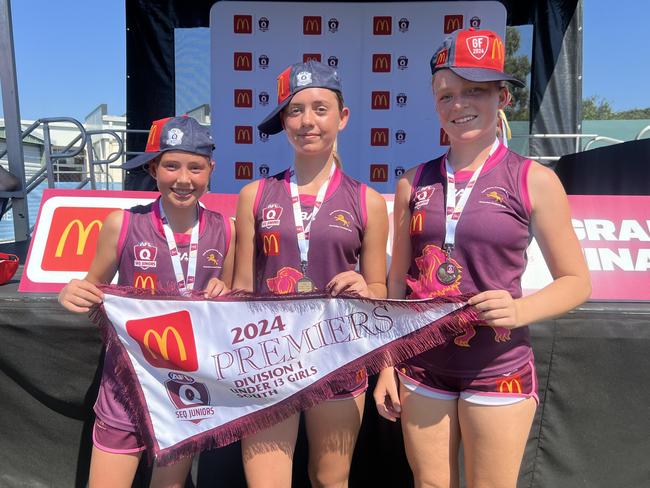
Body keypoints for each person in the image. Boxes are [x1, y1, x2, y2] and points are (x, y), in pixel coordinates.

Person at [373, 28, 591, 488]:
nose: (459, 104)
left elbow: (576, 281)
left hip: (498, 367)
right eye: (446, 94)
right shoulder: (412, 182)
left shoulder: (534, 180)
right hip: (423, 364)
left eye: (474, 90)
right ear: (435, 104)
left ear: (502, 97)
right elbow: (397, 283)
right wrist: (387, 363)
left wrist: (520, 309)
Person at [233, 60, 388, 488]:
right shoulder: (254, 195)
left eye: (320, 109)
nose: (307, 121)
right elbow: (242, 288)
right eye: (295, 110)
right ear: (284, 121)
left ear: (343, 117)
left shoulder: (368, 201)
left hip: (337, 358)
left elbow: (381, 288)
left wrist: (364, 286)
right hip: (267, 358)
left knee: (329, 481)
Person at [58, 116, 234, 488]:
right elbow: (93, 289)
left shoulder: (227, 229)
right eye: (171, 165)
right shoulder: (121, 224)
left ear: (210, 170)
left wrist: (227, 293)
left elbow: (233, 304)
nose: (183, 179)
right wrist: (71, 292)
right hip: (125, 386)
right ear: (153, 168)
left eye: (195, 167)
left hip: (186, 394)